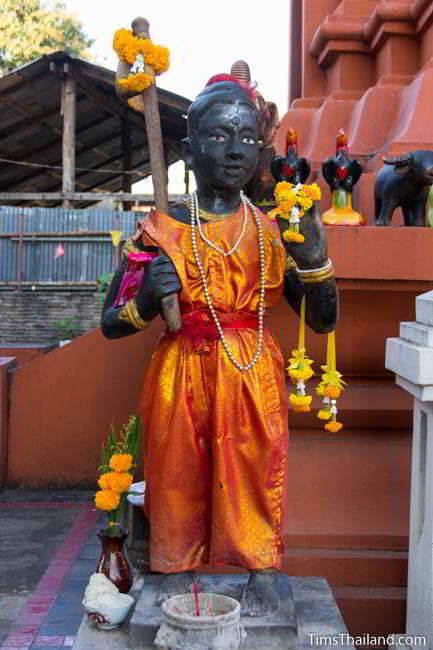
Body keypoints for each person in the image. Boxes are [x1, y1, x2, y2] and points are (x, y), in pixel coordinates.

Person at [101, 76, 338, 616]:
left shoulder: (276, 231)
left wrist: (317, 262)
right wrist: (146, 301)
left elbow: (322, 323)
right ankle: (170, 566)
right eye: (217, 137)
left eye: (248, 139)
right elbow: (111, 323)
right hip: (178, 369)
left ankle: (261, 566)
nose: (234, 151)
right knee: (176, 471)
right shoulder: (159, 231)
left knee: (254, 467)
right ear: (188, 150)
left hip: (252, 369)